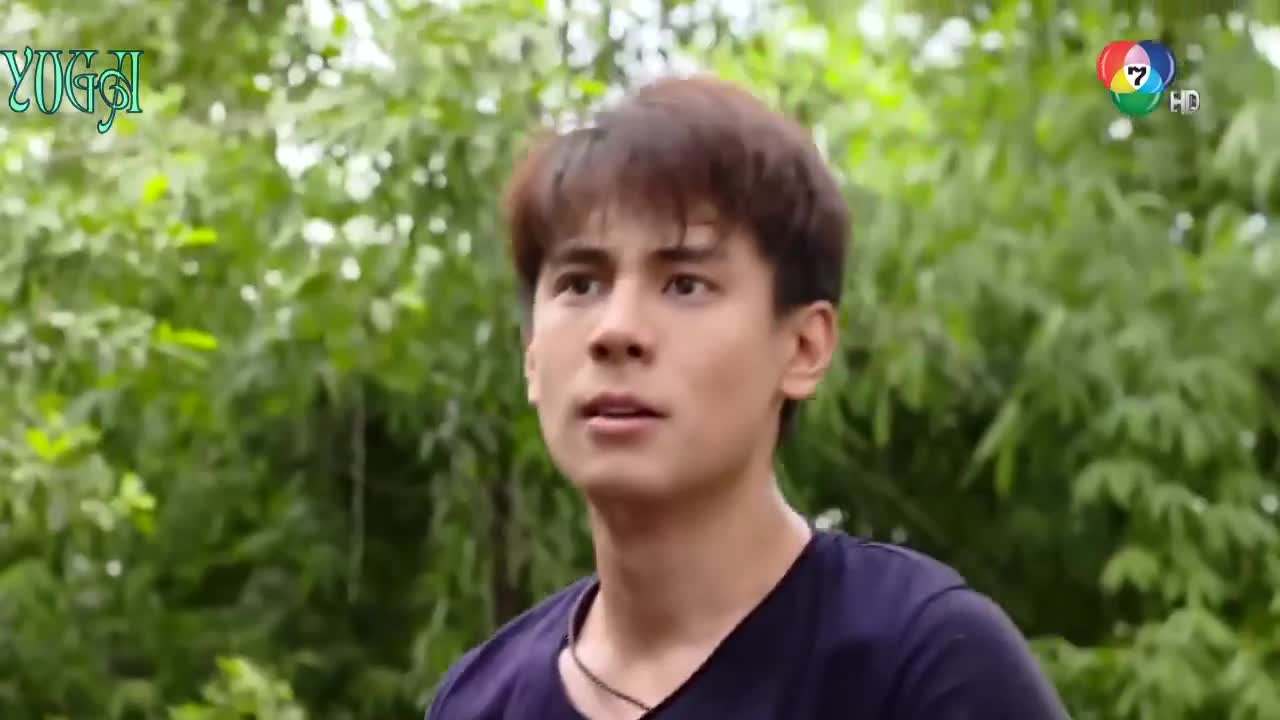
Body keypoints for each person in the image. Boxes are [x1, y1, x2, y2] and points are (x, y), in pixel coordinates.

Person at [424, 74, 1069, 719]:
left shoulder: (923, 664)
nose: (615, 331)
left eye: (685, 284)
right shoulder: (478, 702)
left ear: (804, 348)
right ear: (532, 354)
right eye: (581, 284)